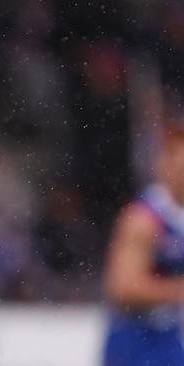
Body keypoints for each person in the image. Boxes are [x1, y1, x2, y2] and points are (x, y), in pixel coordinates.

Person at [103, 114, 184, 366]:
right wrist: (177, 290)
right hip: (137, 342)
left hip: (172, 339)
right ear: (165, 164)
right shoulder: (143, 219)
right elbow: (122, 286)